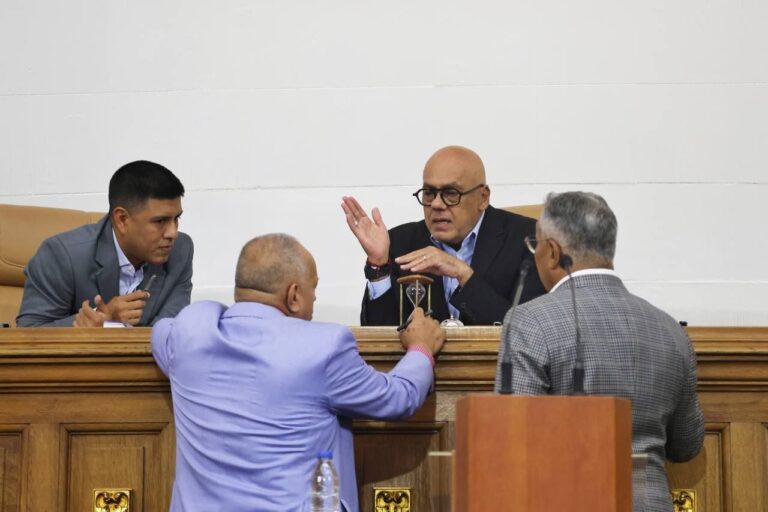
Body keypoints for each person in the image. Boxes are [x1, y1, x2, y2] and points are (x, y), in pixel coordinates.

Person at [151, 234, 445, 512]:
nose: (314, 300)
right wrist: (420, 348)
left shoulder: (190, 333)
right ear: (293, 295)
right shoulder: (323, 346)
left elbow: (161, 330)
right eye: (313, 289)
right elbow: (398, 398)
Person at [495, 191, 704, 511]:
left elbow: (514, 439)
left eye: (535, 245)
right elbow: (686, 444)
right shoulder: (670, 330)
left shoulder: (530, 321)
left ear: (553, 251)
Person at [342, 145, 545, 326]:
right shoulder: (398, 243)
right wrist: (379, 267)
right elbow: (379, 339)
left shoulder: (529, 240)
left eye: (451, 193)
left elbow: (530, 332)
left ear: (483, 197)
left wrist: (464, 274)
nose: (437, 204)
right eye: (429, 193)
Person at [16, 160, 193, 327]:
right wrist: (103, 318)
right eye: (160, 221)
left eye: (176, 218)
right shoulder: (61, 255)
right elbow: (28, 332)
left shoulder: (180, 251)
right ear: (122, 219)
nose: (173, 233)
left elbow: (171, 330)